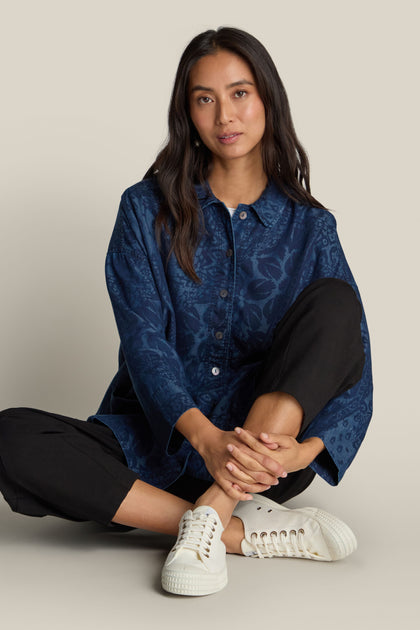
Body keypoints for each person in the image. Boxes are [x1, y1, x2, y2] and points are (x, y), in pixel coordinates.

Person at [0, 26, 373, 597]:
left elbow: (350, 354)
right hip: (154, 444)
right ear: (188, 113)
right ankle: (225, 531)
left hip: (262, 461)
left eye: (240, 93)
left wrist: (305, 450)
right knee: (12, 438)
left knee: (337, 303)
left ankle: (217, 507)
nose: (225, 114)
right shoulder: (143, 210)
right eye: (205, 98)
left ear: (268, 99)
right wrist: (203, 438)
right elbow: (144, 340)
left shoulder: (311, 227)